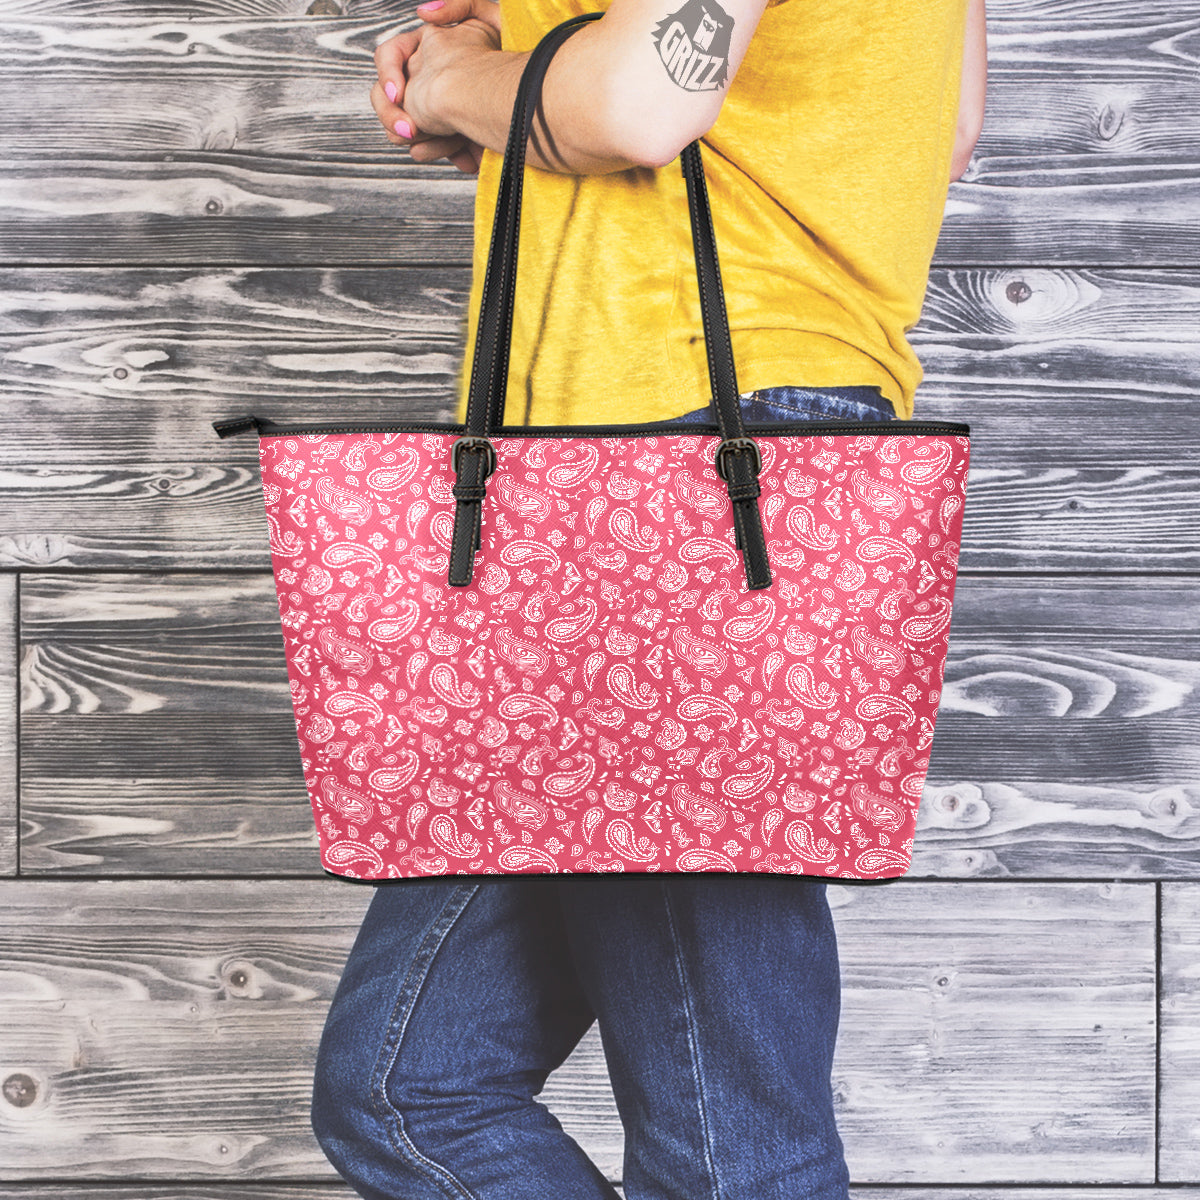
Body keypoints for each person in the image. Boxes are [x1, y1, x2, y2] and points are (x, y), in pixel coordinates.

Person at [310, 0, 987, 1197]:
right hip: (624, 485)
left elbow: (638, 103)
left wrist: (455, 78)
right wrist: (522, 84)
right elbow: (937, 129)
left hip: (680, 467)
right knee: (405, 1088)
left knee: (731, 1152)